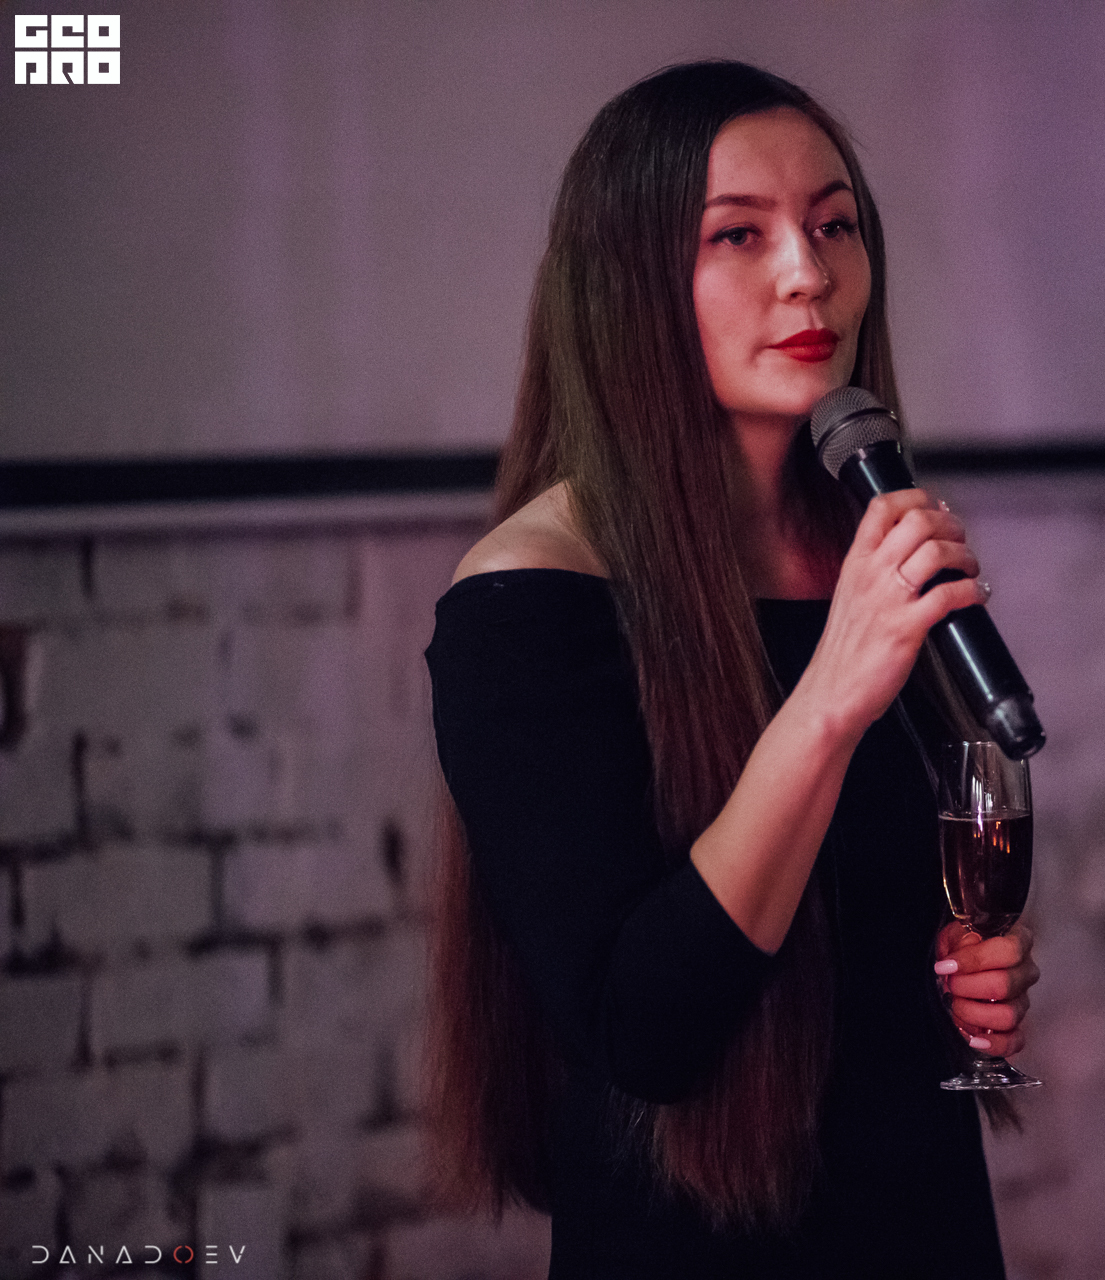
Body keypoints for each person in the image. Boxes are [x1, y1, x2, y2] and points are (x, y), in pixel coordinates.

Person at [422, 60, 1038, 1277]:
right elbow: (645, 1026)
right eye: (739, 235)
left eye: (834, 225)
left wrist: (976, 973)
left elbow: (908, 888)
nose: (808, 273)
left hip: (924, 1222)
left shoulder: (873, 542)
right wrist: (832, 696)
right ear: (628, 282)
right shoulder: (527, 602)